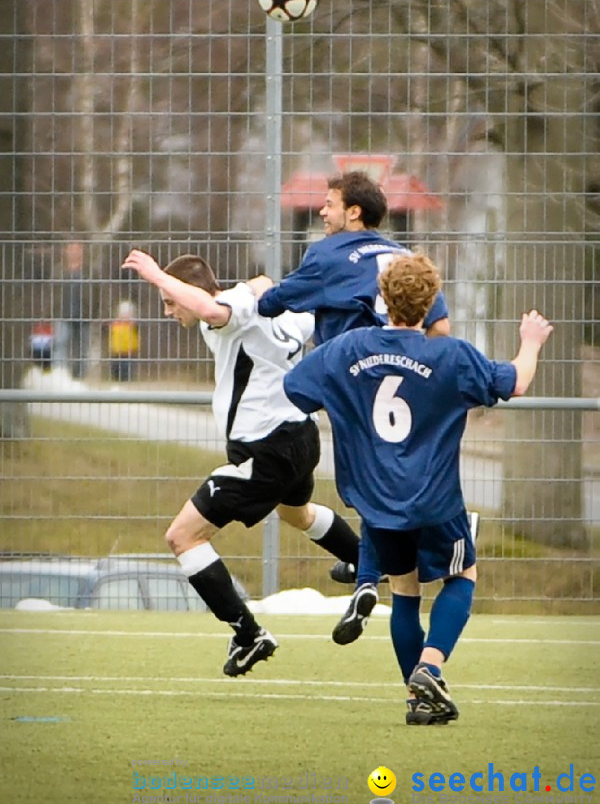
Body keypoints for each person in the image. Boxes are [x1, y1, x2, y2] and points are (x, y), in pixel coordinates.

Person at [283, 252, 553, 724]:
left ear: (382, 297)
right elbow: (516, 382)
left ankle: (419, 701)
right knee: (462, 575)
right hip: (434, 499)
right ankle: (430, 668)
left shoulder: (346, 349)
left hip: (376, 502)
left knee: (405, 595)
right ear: (432, 303)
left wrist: (349, 404)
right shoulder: (450, 355)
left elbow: (296, 387)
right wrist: (530, 342)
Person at [121, 248, 360, 678]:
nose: (169, 310)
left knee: (182, 537)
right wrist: (259, 283)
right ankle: (364, 560)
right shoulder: (276, 313)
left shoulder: (230, 315)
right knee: (296, 513)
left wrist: (157, 275)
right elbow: (273, 295)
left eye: (170, 302)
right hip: (301, 439)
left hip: (265, 451)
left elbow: (211, 306)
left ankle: (249, 635)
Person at [250, 170, 451, 644]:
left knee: (363, 485)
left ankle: (368, 574)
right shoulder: (405, 258)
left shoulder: (327, 254)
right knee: (399, 478)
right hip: (413, 381)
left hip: (356, 379)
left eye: (329, 203)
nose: (322, 211)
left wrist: (261, 291)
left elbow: (275, 304)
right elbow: (440, 331)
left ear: (353, 212)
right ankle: (370, 573)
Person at [53, 241, 89, 379]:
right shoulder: (59, 271)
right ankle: (60, 375)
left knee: (82, 349)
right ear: (66, 252)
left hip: (83, 315)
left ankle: (80, 377)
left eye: (77, 249)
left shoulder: (89, 272)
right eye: (71, 249)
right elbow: (52, 294)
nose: (74, 253)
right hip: (63, 314)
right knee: (61, 344)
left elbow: (98, 292)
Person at [109, 300, 140, 382]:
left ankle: (127, 379)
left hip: (128, 350)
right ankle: (116, 378)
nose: (125, 316)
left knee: (127, 366)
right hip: (117, 350)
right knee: (116, 366)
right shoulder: (115, 323)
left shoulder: (133, 324)